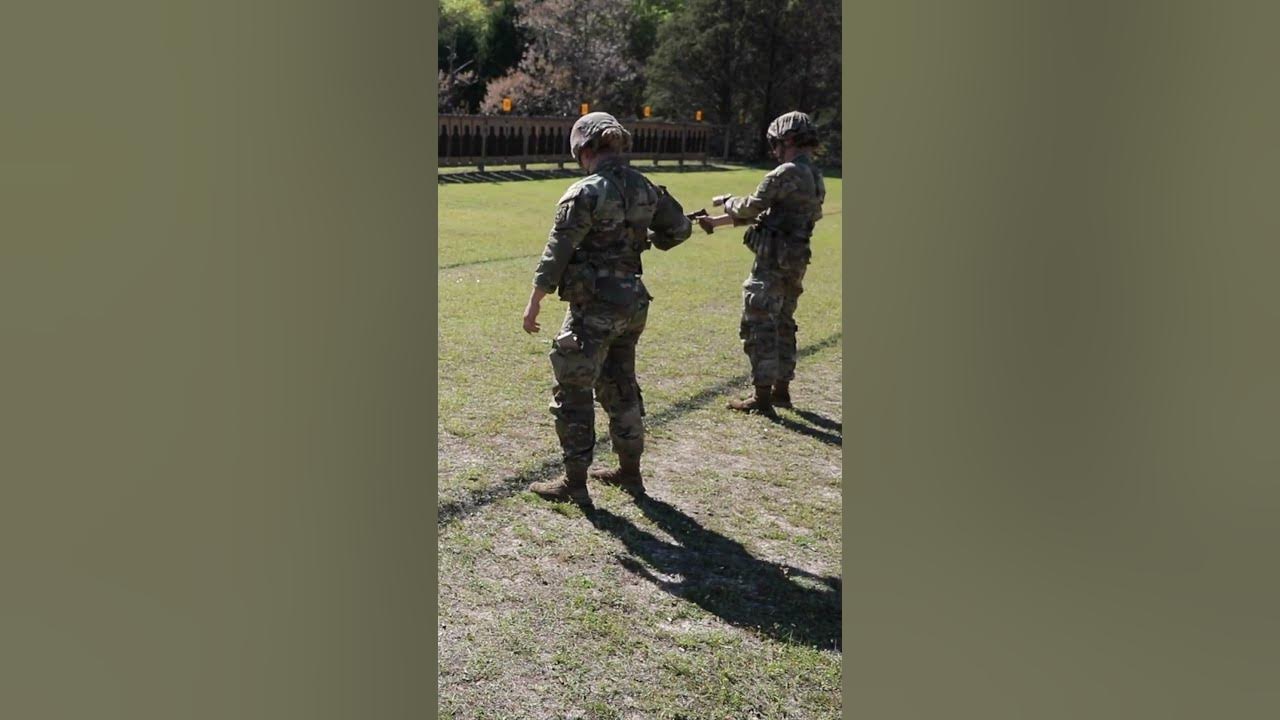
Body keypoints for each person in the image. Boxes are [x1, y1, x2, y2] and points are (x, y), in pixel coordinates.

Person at [522, 112, 694, 506]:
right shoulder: (646, 187)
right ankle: (630, 473)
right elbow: (679, 230)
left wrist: (535, 301)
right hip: (632, 302)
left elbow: (558, 250)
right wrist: (645, 236)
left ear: (583, 148)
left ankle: (575, 483)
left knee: (574, 390)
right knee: (621, 384)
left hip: (594, 305)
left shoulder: (585, 191)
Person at [697, 111, 825, 416]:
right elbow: (772, 215)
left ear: (788, 140)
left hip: (771, 262)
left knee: (759, 323)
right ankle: (781, 391)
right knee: (783, 322)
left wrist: (728, 202)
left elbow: (752, 207)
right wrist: (715, 222)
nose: (773, 151)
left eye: (775, 143)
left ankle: (762, 398)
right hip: (795, 260)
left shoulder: (784, 173)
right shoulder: (815, 176)